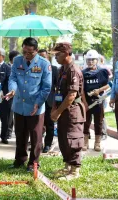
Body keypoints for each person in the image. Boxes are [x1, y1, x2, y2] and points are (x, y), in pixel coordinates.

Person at [5, 37, 52, 172]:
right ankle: (20, 159)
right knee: (20, 134)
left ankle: (33, 163)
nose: (26, 55)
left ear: (36, 51)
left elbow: (46, 87)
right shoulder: (17, 61)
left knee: (36, 136)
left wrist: (38, 103)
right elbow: (13, 77)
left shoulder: (44, 64)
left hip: (35, 106)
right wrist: (12, 89)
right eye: (24, 52)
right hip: (19, 104)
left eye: (30, 53)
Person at [50, 42, 85, 180]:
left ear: (66, 54)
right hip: (62, 109)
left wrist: (57, 112)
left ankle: (75, 170)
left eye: (58, 54)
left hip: (72, 111)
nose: (56, 57)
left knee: (73, 139)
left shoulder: (73, 70)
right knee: (63, 139)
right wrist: (54, 108)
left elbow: (71, 95)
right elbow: (57, 91)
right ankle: (67, 167)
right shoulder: (62, 69)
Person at [81, 50, 110, 152]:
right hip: (86, 101)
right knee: (86, 122)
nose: (90, 62)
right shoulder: (83, 73)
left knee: (98, 122)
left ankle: (97, 143)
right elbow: (81, 89)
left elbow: (108, 85)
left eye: (93, 59)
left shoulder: (102, 72)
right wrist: (84, 102)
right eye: (88, 60)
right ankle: (85, 142)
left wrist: (99, 90)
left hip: (98, 101)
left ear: (97, 60)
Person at [38, 49, 58, 153]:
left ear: (47, 57)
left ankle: (48, 144)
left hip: (50, 100)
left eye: (44, 56)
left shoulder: (54, 69)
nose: (42, 58)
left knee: (49, 124)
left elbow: (57, 85)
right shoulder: (35, 68)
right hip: (37, 100)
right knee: (37, 124)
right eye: (40, 56)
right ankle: (37, 144)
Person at [0, 48, 13, 144]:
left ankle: (4, 136)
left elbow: (8, 82)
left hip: (3, 97)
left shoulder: (8, 68)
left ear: (3, 57)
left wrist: (2, 94)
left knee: (5, 118)